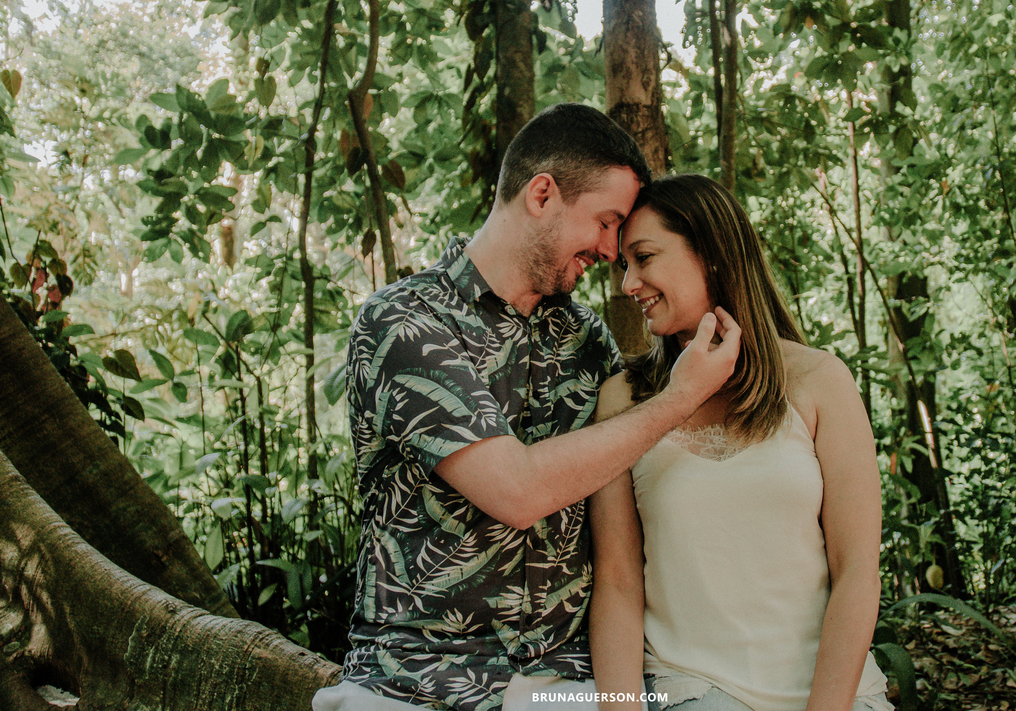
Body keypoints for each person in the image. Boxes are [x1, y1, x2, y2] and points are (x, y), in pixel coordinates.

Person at [314, 106, 741, 711]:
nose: (611, 248)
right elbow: (515, 490)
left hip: (563, 691)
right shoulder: (403, 323)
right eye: (605, 221)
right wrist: (680, 397)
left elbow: (619, 548)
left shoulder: (586, 339)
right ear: (542, 194)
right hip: (424, 681)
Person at [589, 174, 891, 711]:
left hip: (836, 695)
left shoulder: (820, 380)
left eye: (644, 257)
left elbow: (857, 575)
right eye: (624, 266)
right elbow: (616, 581)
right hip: (695, 689)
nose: (629, 282)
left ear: (710, 252)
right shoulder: (624, 399)